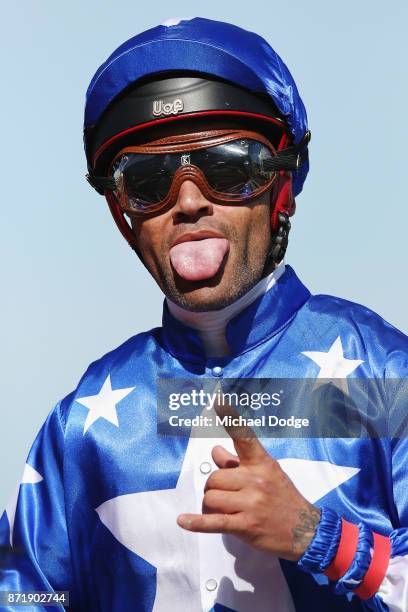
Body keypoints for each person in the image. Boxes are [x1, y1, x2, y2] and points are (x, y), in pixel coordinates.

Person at [1, 16, 407, 612]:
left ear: (282, 188)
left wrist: (321, 539)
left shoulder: (385, 377)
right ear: (124, 214)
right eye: (148, 180)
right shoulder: (80, 423)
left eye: (227, 168)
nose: (189, 200)